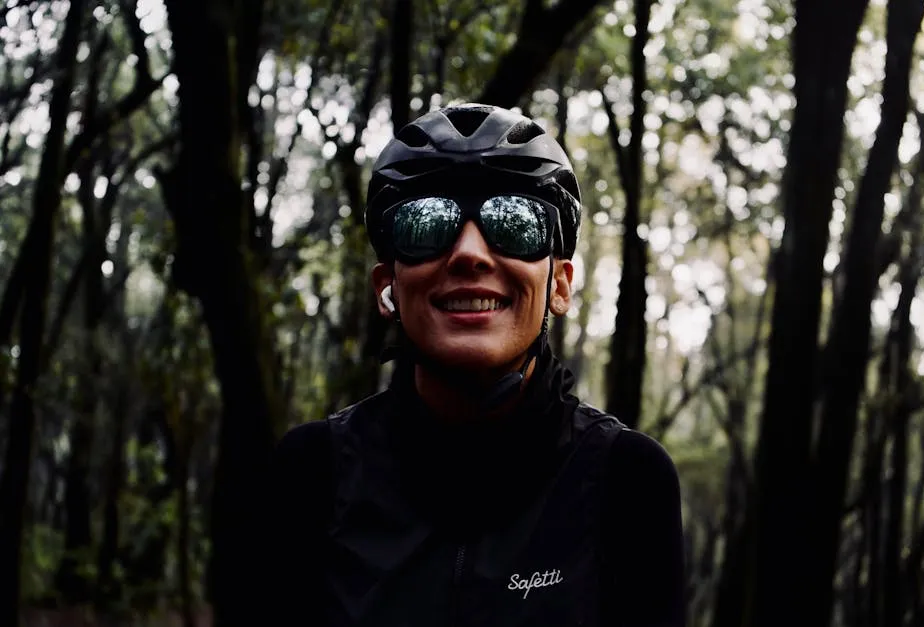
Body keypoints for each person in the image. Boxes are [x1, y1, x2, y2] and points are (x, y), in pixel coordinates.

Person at [259, 103, 685, 626]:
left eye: (516, 223)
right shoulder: (312, 473)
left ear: (560, 284)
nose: (469, 253)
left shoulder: (628, 481)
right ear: (386, 287)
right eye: (426, 224)